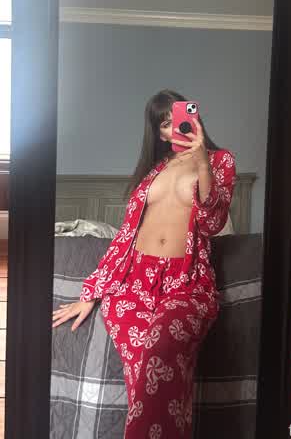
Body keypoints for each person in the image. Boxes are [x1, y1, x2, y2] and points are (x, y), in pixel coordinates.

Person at [52, 89, 237, 438]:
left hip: (186, 283)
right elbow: (125, 236)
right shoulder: (155, 170)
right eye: (164, 124)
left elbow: (213, 222)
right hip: (133, 283)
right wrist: (92, 291)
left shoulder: (220, 160)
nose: (173, 129)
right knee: (146, 382)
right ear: (159, 133)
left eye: (177, 119)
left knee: (160, 357)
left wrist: (202, 164)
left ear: (194, 118)